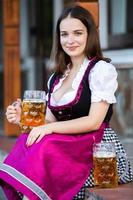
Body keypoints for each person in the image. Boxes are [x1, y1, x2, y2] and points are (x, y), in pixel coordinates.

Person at [0, 5, 132, 200]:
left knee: (46, 145)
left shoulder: (100, 70)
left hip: (95, 148)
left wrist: (48, 129)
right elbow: (50, 122)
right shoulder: (56, 77)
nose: (70, 40)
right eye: (64, 34)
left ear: (90, 35)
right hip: (65, 144)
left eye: (77, 33)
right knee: (28, 142)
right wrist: (24, 119)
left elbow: (93, 122)